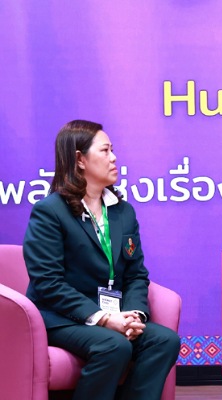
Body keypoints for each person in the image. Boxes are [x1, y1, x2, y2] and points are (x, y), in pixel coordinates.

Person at [23, 120, 180, 400]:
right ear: (80, 160)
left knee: (164, 341)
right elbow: (48, 283)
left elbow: (135, 274)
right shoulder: (50, 211)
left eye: (112, 150)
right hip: (62, 317)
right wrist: (104, 318)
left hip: (114, 314)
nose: (114, 158)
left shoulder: (122, 211)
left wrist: (133, 314)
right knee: (114, 345)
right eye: (105, 151)